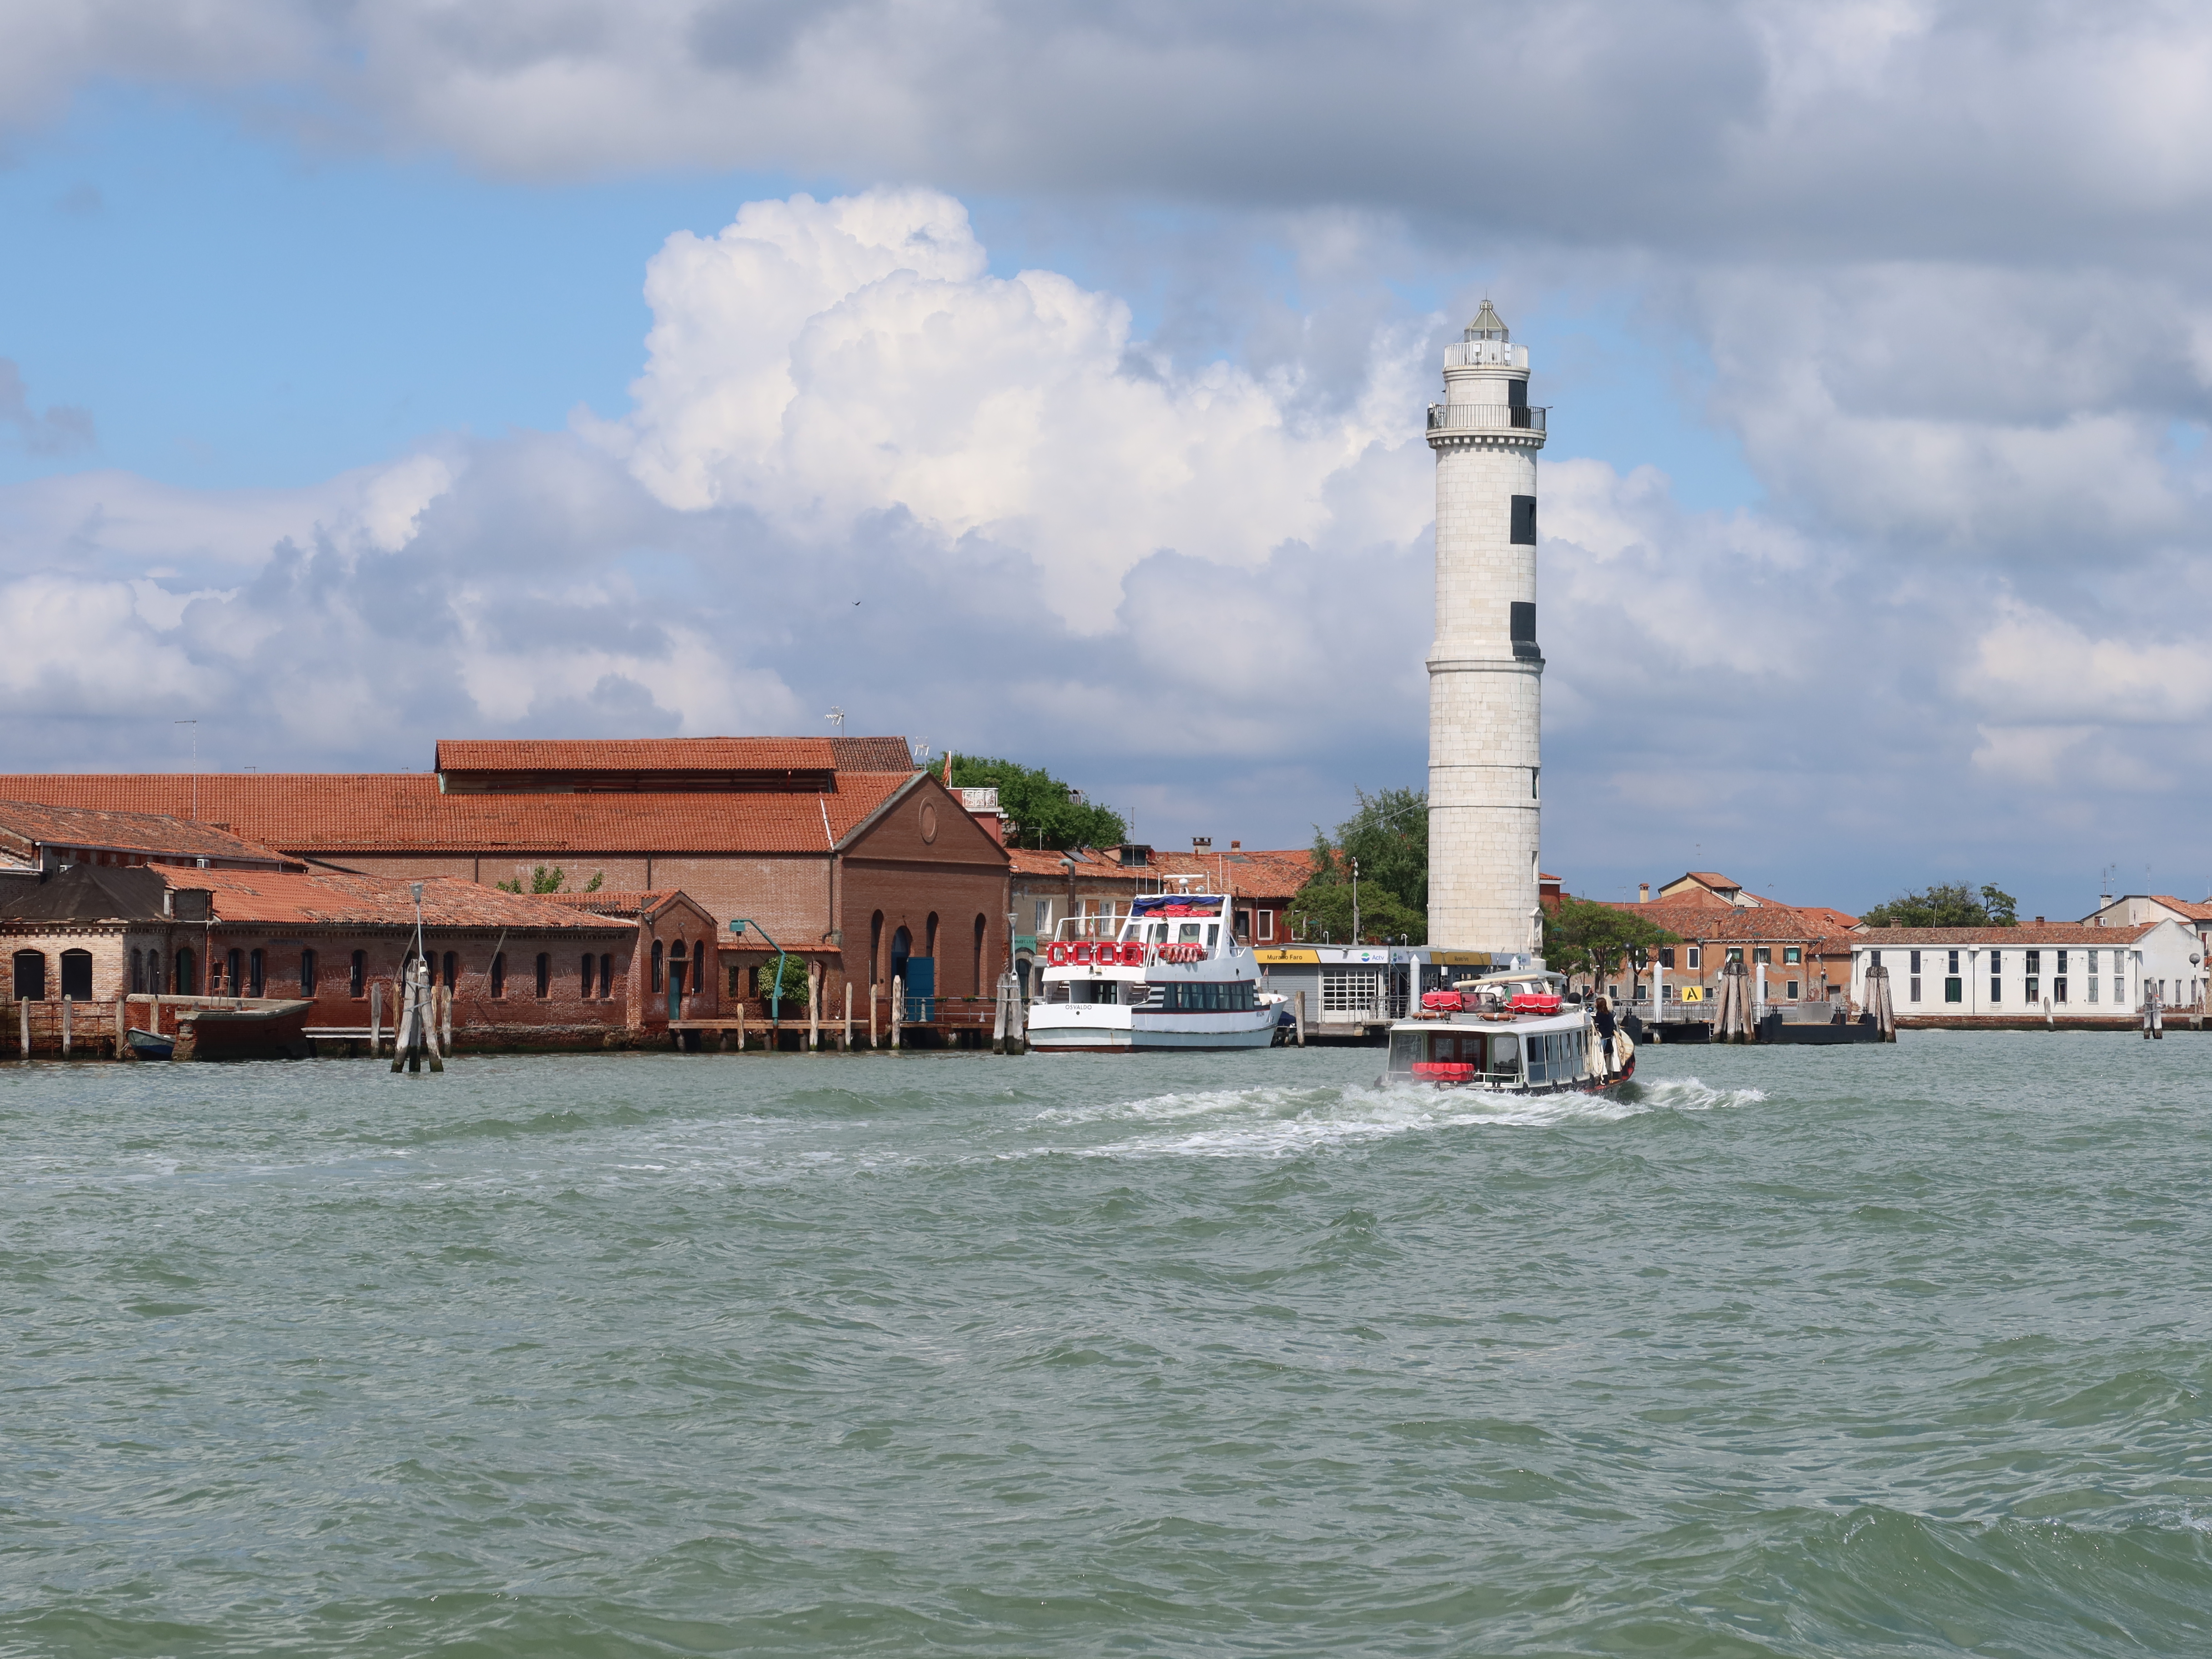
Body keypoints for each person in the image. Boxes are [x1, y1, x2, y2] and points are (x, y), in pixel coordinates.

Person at [1593, 995, 1618, 1077]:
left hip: (1602, 1037)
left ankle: (1600, 1070)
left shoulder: (1600, 1014)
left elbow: (1597, 1025)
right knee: (1605, 1054)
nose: (1595, 1004)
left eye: (1596, 1003)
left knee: (1600, 1053)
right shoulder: (1609, 1014)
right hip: (1608, 1037)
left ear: (1599, 1004)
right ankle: (1606, 1069)